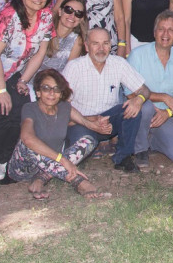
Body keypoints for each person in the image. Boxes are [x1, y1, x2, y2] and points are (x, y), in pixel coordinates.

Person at [0, 0, 55, 181]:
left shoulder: (46, 17)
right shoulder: (9, 15)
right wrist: (1, 91)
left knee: (20, 110)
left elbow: (40, 53)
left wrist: (23, 80)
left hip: (15, 73)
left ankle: (5, 159)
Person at [7, 70, 112, 199]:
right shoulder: (29, 108)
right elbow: (27, 138)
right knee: (28, 143)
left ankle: (41, 179)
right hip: (24, 168)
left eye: (56, 89)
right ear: (38, 92)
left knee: (89, 141)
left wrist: (98, 123)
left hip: (51, 165)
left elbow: (84, 120)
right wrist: (62, 160)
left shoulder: (64, 107)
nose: (52, 93)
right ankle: (79, 182)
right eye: (46, 88)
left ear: (61, 93)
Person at [62, 27, 153, 172]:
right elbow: (63, 107)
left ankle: (123, 157)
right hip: (82, 122)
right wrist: (92, 123)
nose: (101, 48)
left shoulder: (118, 63)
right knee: (79, 152)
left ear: (110, 46)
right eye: (95, 44)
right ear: (86, 46)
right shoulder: (74, 67)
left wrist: (139, 99)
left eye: (105, 43)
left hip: (109, 120)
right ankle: (90, 146)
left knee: (132, 108)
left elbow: (145, 90)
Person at [127, 11, 173, 167]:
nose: (165, 34)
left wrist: (168, 113)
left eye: (171, 30)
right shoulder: (137, 55)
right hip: (139, 110)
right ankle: (140, 150)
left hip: (164, 114)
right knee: (145, 106)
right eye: (161, 29)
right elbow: (130, 93)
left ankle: (151, 139)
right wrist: (162, 97)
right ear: (154, 32)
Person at [40, 0, 87, 73]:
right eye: (68, 10)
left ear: (81, 19)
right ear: (60, 11)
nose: (72, 15)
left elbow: (69, 71)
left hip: (55, 82)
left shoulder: (77, 40)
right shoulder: (45, 29)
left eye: (78, 13)